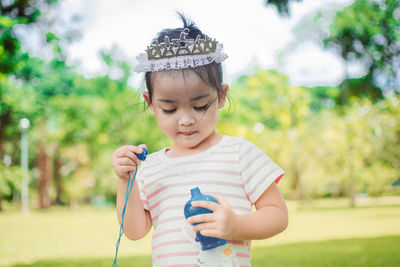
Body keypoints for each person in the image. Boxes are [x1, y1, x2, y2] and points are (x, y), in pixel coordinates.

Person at [111, 14, 288, 267]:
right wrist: (125, 179)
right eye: (170, 110)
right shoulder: (151, 166)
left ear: (221, 96)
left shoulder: (239, 153)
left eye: (200, 105)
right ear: (150, 103)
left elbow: (278, 215)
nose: (185, 120)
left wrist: (236, 225)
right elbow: (135, 231)